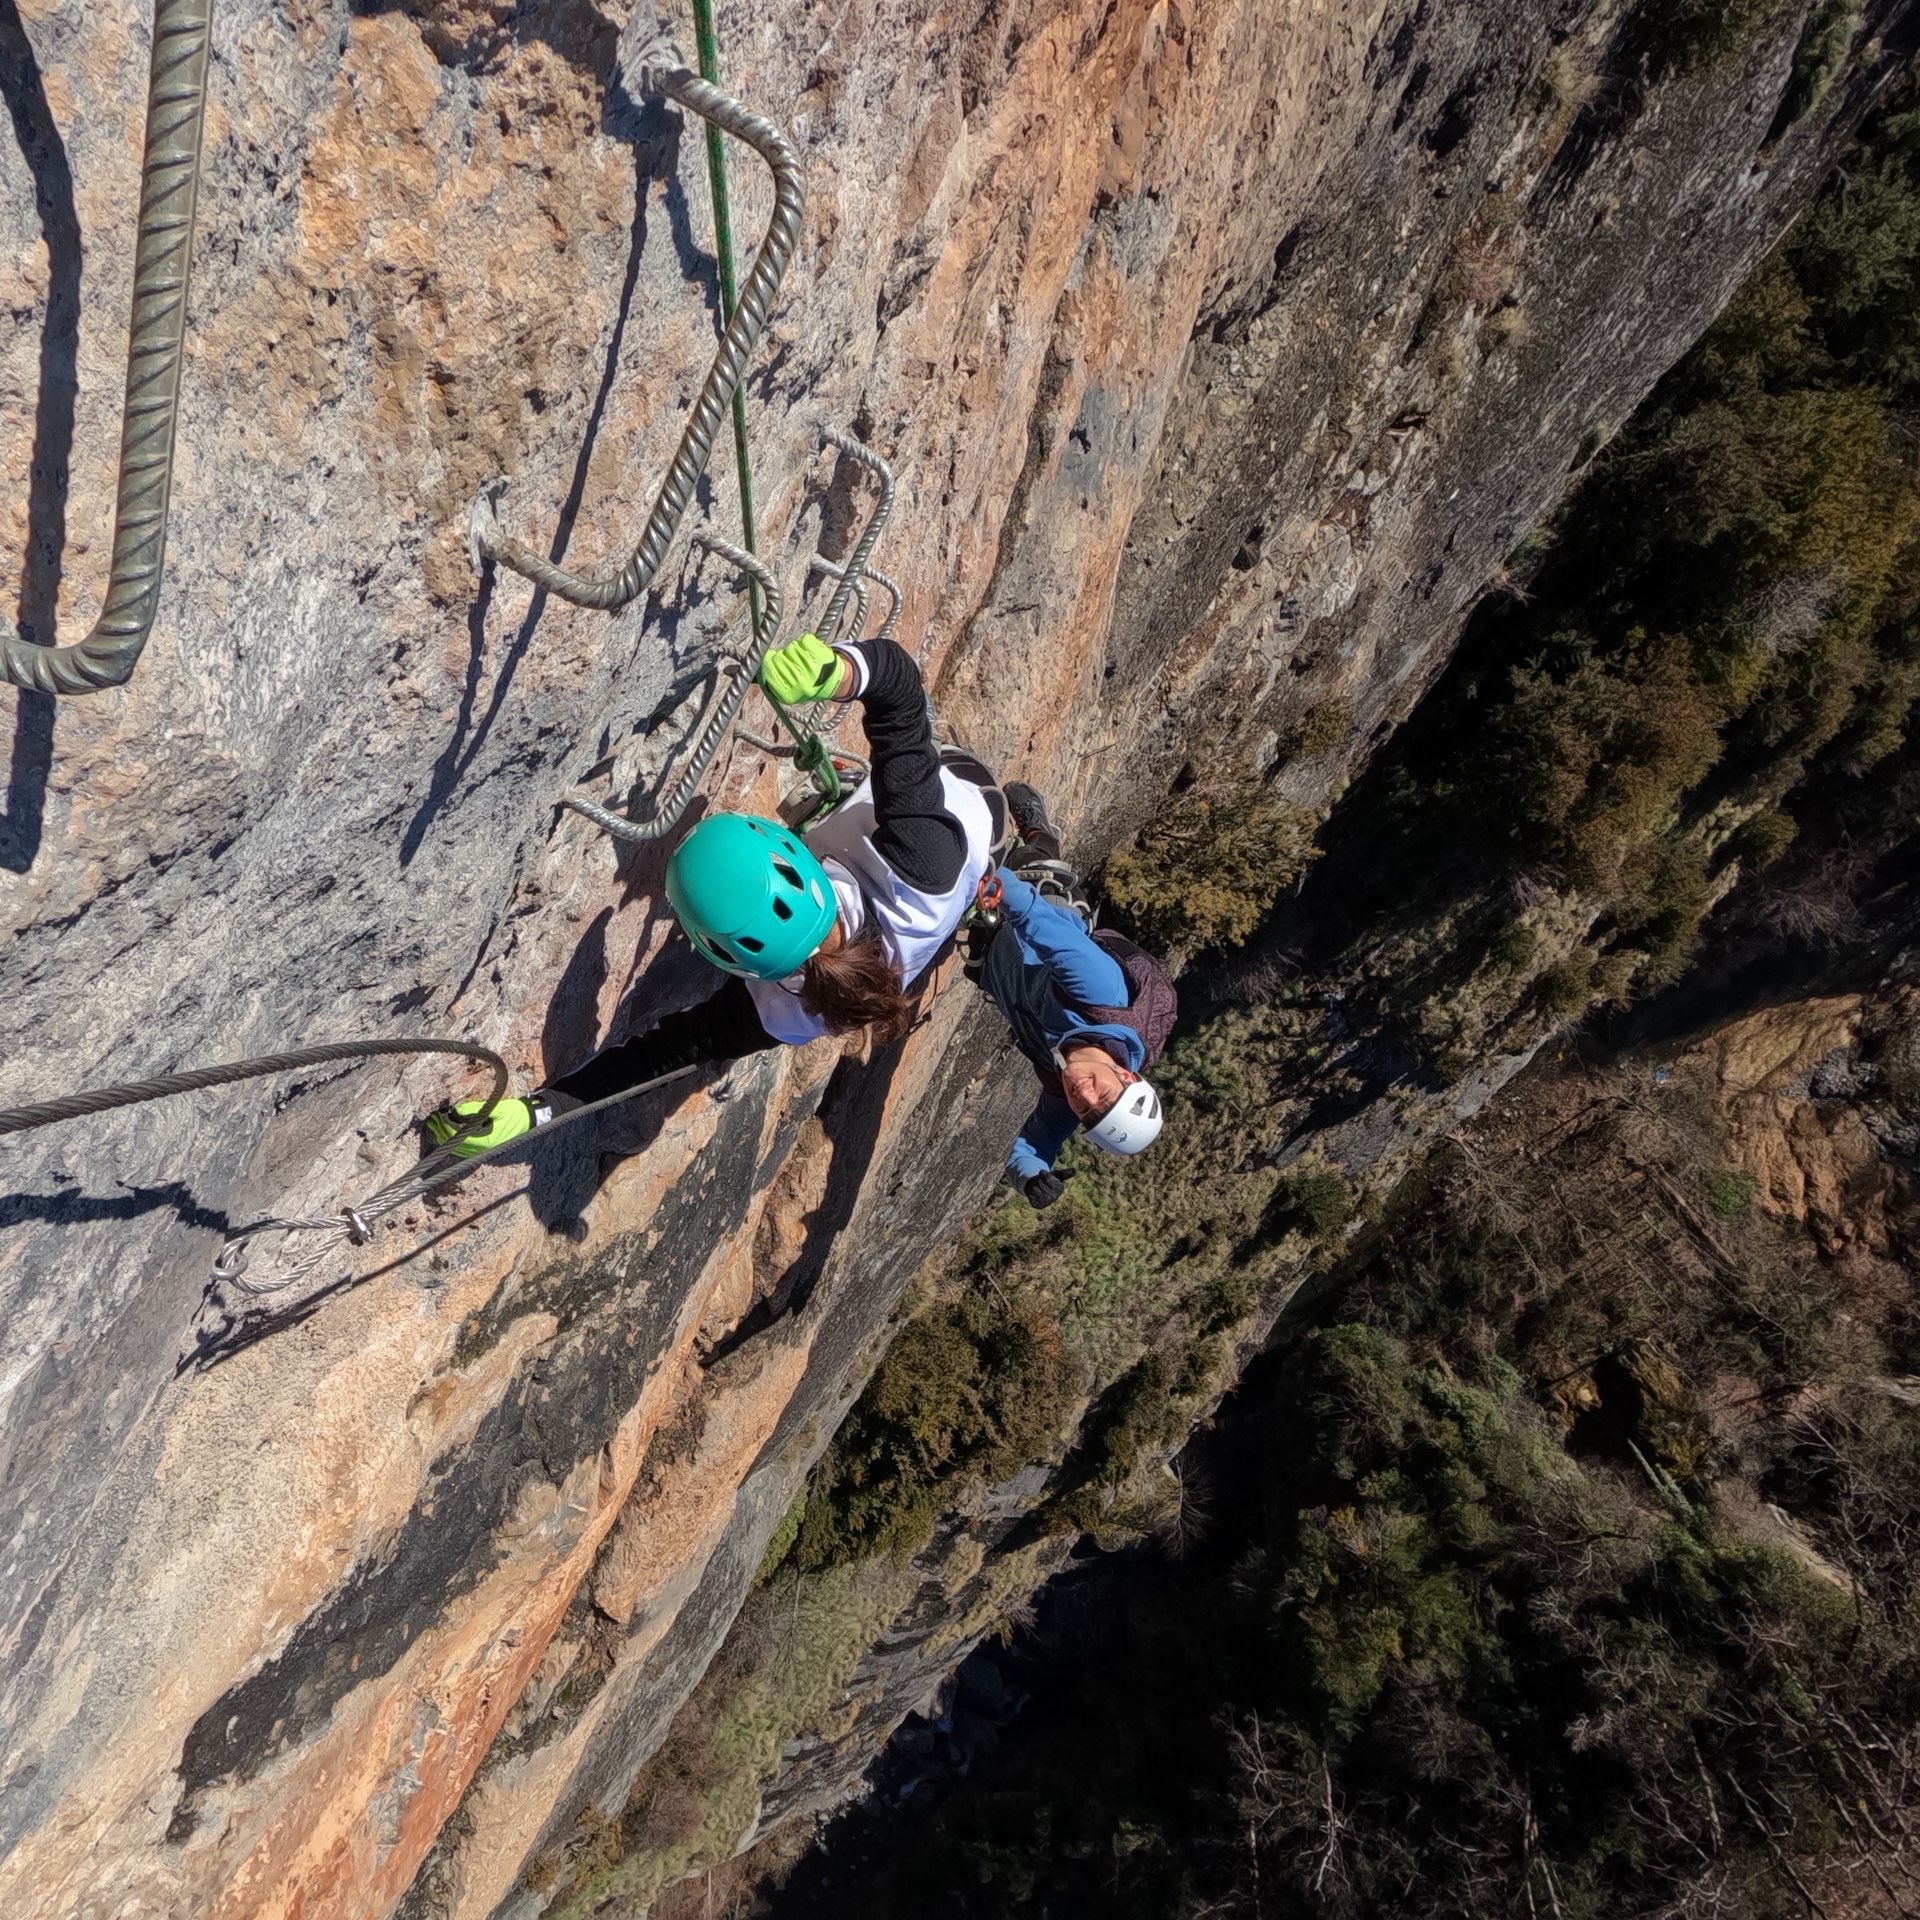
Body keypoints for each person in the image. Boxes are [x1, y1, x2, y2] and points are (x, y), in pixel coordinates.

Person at [425, 628, 999, 1154]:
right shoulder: (921, 859)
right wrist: (836, 671)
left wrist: (536, 1112)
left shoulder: (791, 1013)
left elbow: (664, 1055)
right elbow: (897, 688)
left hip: (909, 850)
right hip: (964, 816)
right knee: (933, 777)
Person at [974, 782, 1176, 1208]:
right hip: (1040, 912)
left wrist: (1032, 1177)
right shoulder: (1103, 996)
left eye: (1088, 1113)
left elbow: (1035, 1145)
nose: (1084, 1097)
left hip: (996, 962)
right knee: (1030, 862)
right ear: (1126, 1076)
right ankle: (1039, 831)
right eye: (1104, 1097)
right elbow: (1039, 922)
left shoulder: (1069, 1091)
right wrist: (995, 881)